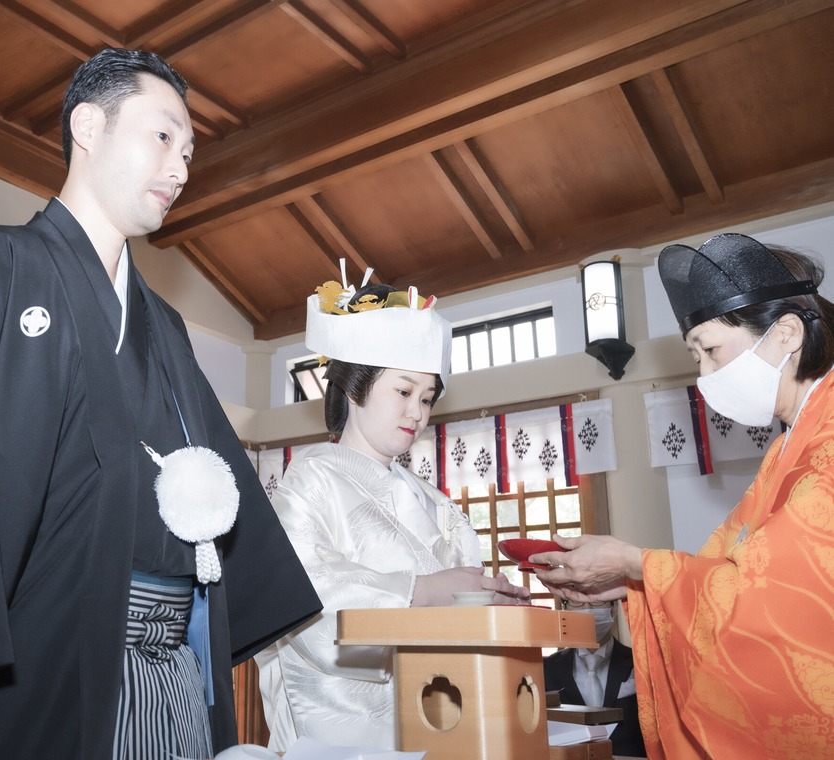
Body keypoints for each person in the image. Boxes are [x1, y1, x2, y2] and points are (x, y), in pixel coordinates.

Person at [0, 48, 321, 760]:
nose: (182, 167)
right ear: (89, 126)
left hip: (171, 675)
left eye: (190, 151)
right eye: (164, 137)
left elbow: (220, 502)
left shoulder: (162, 324)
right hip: (36, 666)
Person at [532, 233, 834, 758]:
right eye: (696, 357)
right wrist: (633, 579)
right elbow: (726, 571)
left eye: (712, 350)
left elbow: (781, 609)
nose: (704, 376)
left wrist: (636, 561)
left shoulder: (825, 447)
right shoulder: (789, 445)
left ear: (786, 332)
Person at [256, 277, 529, 752]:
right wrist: (421, 591)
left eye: (426, 399)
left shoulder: (436, 502)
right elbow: (299, 594)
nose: (417, 413)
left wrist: (490, 607)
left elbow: (460, 607)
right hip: (345, 730)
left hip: (438, 712)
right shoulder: (312, 480)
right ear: (357, 386)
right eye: (403, 391)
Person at [542, 599, 646, 757]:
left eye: (597, 602)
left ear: (614, 608)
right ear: (565, 610)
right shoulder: (546, 668)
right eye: (577, 602)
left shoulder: (640, 662)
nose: (587, 609)